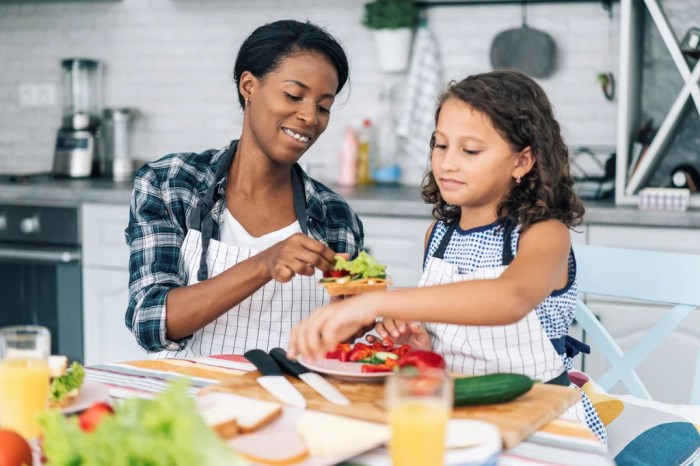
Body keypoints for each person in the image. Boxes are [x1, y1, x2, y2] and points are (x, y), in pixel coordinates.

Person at [288, 69, 606, 442]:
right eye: (440, 145)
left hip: (543, 421)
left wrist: (373, 302)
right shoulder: (438, 235)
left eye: (470, 150)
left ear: (522, 161)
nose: (447, 163)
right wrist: (425, 343)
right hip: (453, 415)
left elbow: (510, 298)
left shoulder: (543, 233)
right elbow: (457, 335)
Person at [124, 20, 363, 358]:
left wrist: (357, 318)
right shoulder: (170, 183)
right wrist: (265, 263)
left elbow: (337, 347)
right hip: (193, 402)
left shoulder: (336, 216)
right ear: (249, 86)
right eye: (294, 95)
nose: (310, 117)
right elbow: (150, 321)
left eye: (323, 106)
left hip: (295, 403)